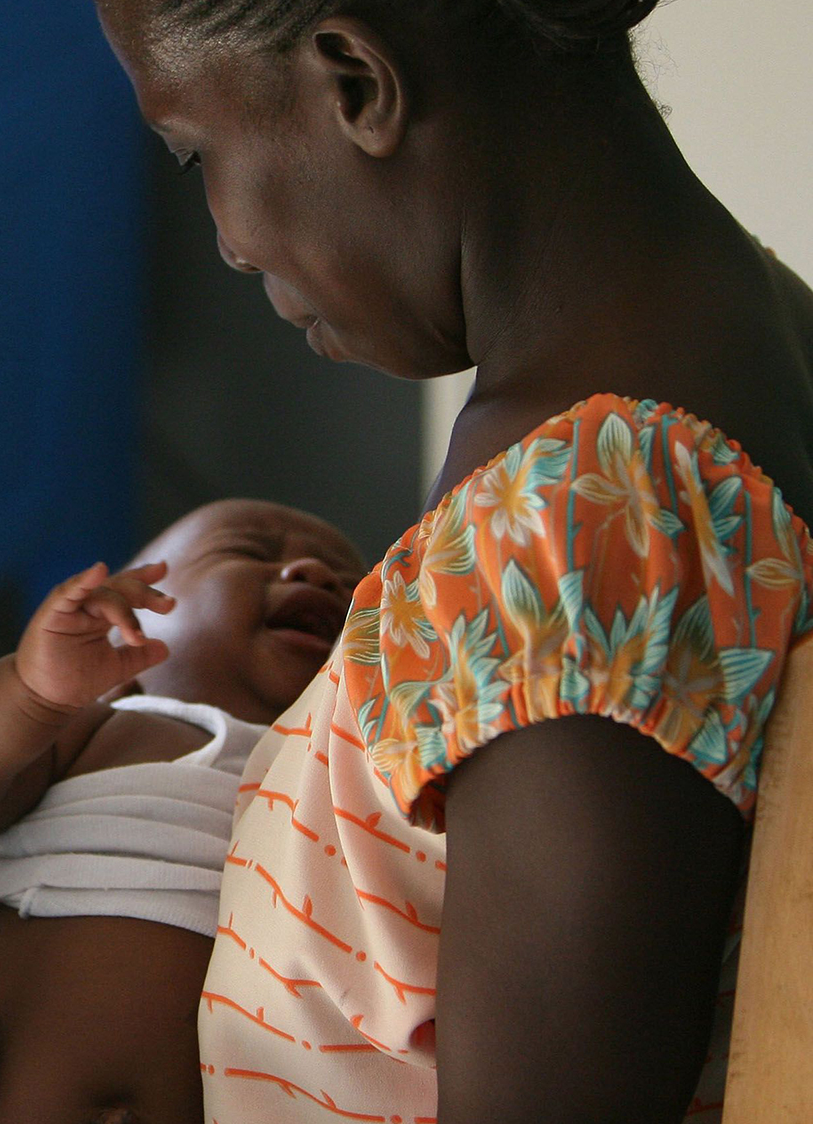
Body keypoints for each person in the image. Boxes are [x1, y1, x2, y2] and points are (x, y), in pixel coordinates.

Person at [94, 0, 813, 1121]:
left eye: (197, 152)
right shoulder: (758, 325)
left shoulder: (569, 538)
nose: (227, 240)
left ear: (356, 84)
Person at [0, 499, 363, 1124]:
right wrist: (33, 695)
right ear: (125, 630)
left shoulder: (354, 780)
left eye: (354, 588)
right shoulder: (108, 728)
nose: (314, 574)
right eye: (249, 552)